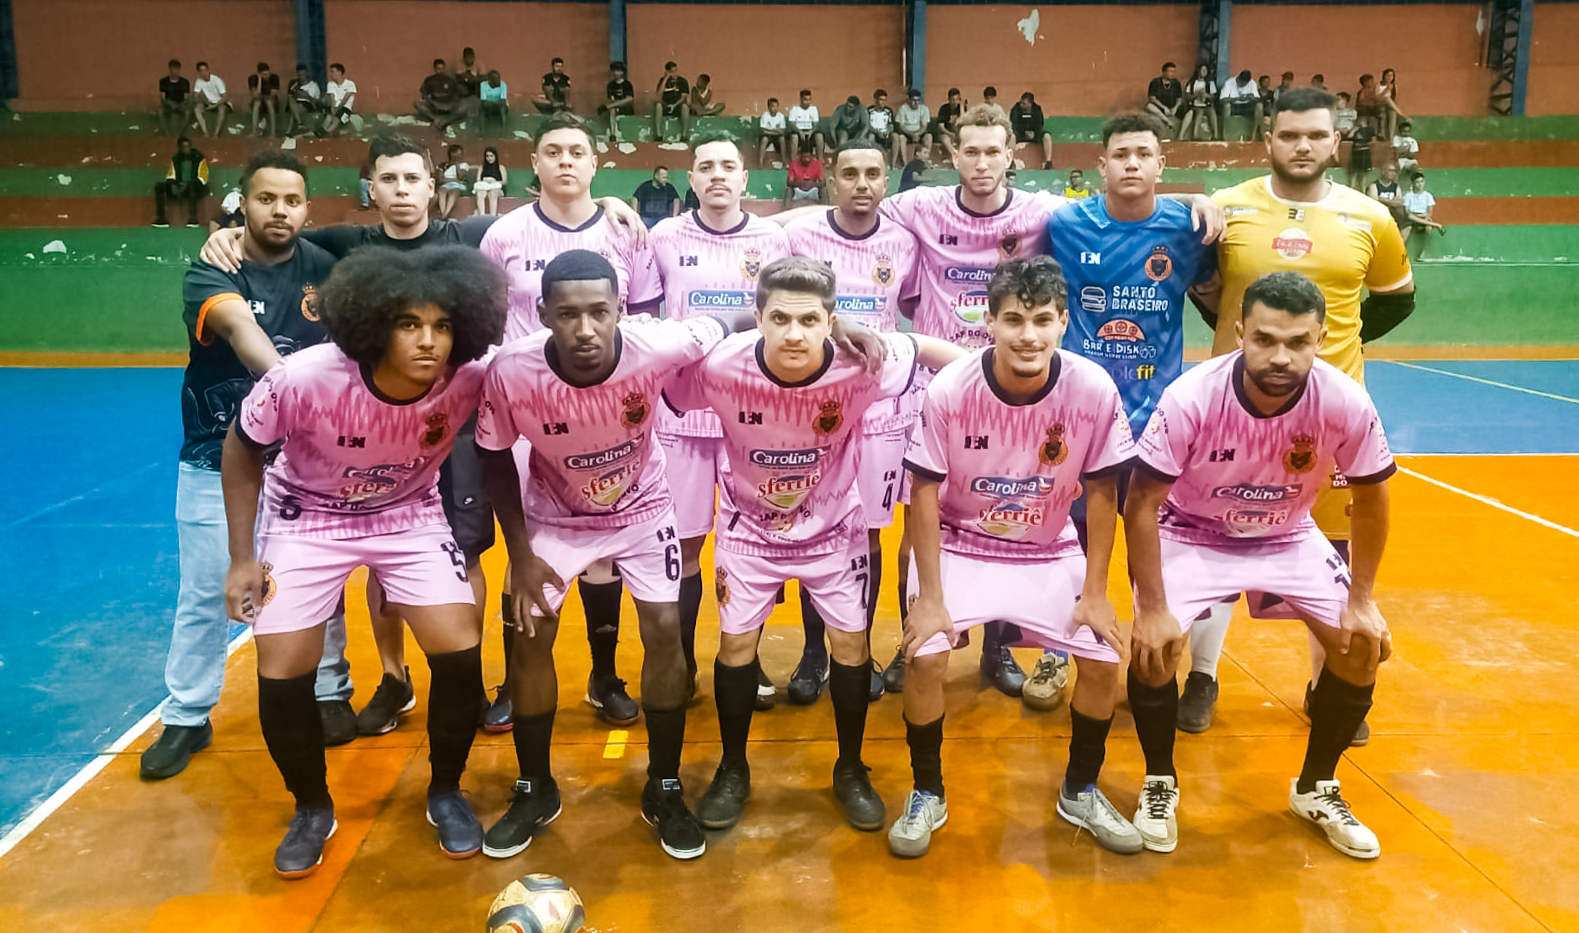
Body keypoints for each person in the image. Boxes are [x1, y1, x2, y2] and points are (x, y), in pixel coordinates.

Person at [223, 245, 505, 876]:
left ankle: (446, 790)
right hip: (307, 516)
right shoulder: (303, 379)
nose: (429, 341)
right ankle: (311, 806)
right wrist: (243, 557)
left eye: (442, 325)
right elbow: (241, 453)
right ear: (374, 323)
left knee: (459, 651)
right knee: (284, 667)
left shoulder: (469, 375)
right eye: (409, 324)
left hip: (406, 515)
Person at [474, 250, 760, 862]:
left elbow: (733, 318)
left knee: (664, 630)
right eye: (568, 314)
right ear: (542, 312)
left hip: (642, 510)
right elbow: (495, 457)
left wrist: (836, 326)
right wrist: (519, 555)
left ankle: (663, 785)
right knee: (528, 634)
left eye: (599, 312)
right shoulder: (510, 371)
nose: (584, 329)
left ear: (620, 311)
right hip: (554, 517)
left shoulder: (657, 344)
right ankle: (535, 787)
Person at [666, 256, 962, 836]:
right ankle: (732, 768)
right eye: (779, 318)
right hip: (749, 533)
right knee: (734, 648)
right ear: (758, 318)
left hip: (834, 532)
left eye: (809, 319)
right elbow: (661, 374)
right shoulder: (721, 366)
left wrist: (997, 385)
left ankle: (850, 768)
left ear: (831, 320)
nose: (794, 334)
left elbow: (929, 349)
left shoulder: (862, 363)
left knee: (852, 649)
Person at [1124, 270, 1397, 859]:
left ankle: (1317, 786)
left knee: (1360, 646)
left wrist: (1364, 599)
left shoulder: (1344, 400)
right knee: (1154, 649)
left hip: (1287, 534)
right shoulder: (1192, 397)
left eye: (1298, 342)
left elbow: (1371, 499)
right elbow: (1140, 504)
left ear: (1321, 338)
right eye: (1265, 339)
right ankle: (1159, 781)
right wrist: (1150, 609)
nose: (1280, 356)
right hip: (1191, 531)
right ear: (1241, 331)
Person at [891, 256, 1139, 857]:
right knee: (925, 660)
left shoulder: (1091, 387)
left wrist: (1098, 590)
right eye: (1014, 320)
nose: (1028, 335)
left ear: (1063, 323)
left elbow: (1105, 492)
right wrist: (928, 598)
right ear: (990, 323)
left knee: (1104, 657)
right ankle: (927, 792)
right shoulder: (951, 389)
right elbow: (922, 490)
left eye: (1042, 320)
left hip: (1048, 548)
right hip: (959, 542)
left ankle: (1079, 789)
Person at [1184, 88, 1413, 738]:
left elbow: (1396, 300)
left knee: (1333, 553)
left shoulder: (1370, 218)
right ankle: (1201, 675)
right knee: (1214, 539)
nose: (1302, 145)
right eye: (1289, 135)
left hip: (1330, 422)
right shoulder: (1226, 209)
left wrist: (1333, 351)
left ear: (1334, 140)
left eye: (1315, 134)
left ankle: (1324, 682)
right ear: (1268, 139)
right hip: (1232, 415)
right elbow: (1204, 288)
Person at [140, 151, 338, 783]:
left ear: (307, 208)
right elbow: (241, 334)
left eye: (292, 200)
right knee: (205, 589)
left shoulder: (327, 270)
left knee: (321, 586)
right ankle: (188, 713)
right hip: (214, 458)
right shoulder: (212, 269)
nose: (279, 211)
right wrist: (294, 389)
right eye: (265, 199)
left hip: (309, 462)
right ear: (242, 204)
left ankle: (331, 690)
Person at [481, 114, 665, 726]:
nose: (565, 161)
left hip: (606, 412)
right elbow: (487, 322)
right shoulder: (503, 234)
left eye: (577, 152)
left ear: (594, 164)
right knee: (528, 548)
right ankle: (516, 677)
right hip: (527, 410)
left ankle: (605, 673)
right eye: (552, 151)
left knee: (605, 552)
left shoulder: (625, 228)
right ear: (533, 163)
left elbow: (641, 318)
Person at [1034, 112, 1216, 712]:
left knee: (1150, 540)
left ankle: (1151, 653)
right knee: (1071, 538)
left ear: (1161, 164)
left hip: (1156, 416)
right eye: (1121, 154)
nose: (1132, 164)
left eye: (1144, 153)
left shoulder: (1189, 228)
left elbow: (1232, 247)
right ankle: (1058, 650)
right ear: (1102, 165)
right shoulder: (1066, 222)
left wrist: (1208, 203)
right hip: (1079, 412)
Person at [649, 134, 792, 705]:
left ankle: (746, 662)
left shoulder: (772, 237)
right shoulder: (662, 236)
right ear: (690, 176)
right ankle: (681, 665)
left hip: (750, 419)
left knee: (753, 546)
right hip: (681, 418)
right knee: (684, 548)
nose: (716, 176)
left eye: (727, 166)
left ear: (744, 178)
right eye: (705, 166)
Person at [784, 140, 923, 703]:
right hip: (813, 410)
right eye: (849, 173)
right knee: (815, 527)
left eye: (872, 173)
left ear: (886, 181)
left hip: (882, 411)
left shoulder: (904, 242)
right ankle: (814, 650)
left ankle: (857, 648)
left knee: (866, 532)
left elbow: (911, 306)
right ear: (831, 182)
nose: (861, 183)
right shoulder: (801, 236)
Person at [153, 137, 209, 228]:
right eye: (184, 147)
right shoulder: (176, 159)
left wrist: (187, 184)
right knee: (159, 186)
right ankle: (161, 219)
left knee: (192, 187)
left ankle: (193, 218)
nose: (186, 149)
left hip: (195, 187)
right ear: (180, 148)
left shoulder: (199, 158)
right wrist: (172, 185)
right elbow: (171, 175)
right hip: (179, 186)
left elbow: (203, 177)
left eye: (188, 146)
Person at [416, 59, 466, 135]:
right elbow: (424, 95)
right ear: (434, 69)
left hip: (448, 106)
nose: (440, 71)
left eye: (442, 69)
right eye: (438, 69)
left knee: (463, 108)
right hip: (434, 106)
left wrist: (452, 103)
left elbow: (456, 95)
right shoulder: (429, 80)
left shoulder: (450, 80)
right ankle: (435, 119)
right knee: (417, 103)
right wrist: (431, 102)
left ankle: (445, 121)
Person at [1402, 172, 1446, 257]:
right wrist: (1417, 217)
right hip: (1410, 219)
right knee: (1408, 225)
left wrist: (1424, 219)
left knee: (1428, 228)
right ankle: (1401, 252)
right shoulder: (1408, 196)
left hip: (1423, 219)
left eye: (1422, 181)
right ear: (1413, 183)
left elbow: (1429, 213)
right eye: (1417, 182)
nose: (1420, 184)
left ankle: (1422, 252)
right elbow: (1407, 213)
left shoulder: (1428, 196)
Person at [1010, 92, 1053, 170]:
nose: (1021, 105)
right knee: (1012, 136)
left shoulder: (1037, 109)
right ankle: (1011, 162)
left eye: (1024, 103)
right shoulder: (1016, 109)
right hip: (1020, 134)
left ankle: (1048, 162)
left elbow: (1040, 124)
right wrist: (1024, 132)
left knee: (1047, 136)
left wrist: (1034, 132)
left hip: (1034, 134)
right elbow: (1014, 123)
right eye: (1021, 102)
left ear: (1030, 104)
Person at [653, 62, 691, 142]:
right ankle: (659, 135)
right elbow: (658, 95)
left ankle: (684, 136)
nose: (675, 73)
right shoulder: (662, 81)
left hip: (677, 105)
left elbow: (684, 97)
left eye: (675, 70)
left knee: (685, 107)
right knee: (658, 106)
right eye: (672, 72)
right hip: (666, 105)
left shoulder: (683, 81)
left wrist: (674, 105)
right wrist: (665, 78)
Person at [1146, 62, 1185, 140]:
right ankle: (1167, 121)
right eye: (1170, 71)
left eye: (1173, 72)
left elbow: (1179, 99)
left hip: (1173, 108)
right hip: (1161, 109)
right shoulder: (1155, 82)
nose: (1172, 74)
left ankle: (1181, 134)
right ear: (1164, 72)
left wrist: (1175, 108)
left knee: (1190, 111)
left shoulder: (1176, 83)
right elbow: (1152, 98)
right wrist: (1163, 108)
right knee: (1149, 106)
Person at [1219, 69, 1261, 142]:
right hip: (1234, 106)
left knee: (1259, 106)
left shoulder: (1252, 83)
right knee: (1226, 106)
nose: (1241, 84)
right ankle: (1225, 133)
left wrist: (1251, 98)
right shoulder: (1229, 82)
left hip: (1247, 105)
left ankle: (1254, 134)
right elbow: (1222, 100)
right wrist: (1236, 99)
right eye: (1240, 82)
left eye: (1244, 83)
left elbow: (1258, 99)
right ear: (1238, 78)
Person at [192, 62, 230, 138]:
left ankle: (216, 134)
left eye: (205, 70)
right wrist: (203, 101)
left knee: (222, 109)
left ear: (208, 70)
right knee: (196, 109)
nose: (204, 73)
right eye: (201, 71)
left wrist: (214, 106)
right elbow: (195, 96)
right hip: (208, 103)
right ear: (199, 72)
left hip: (219, 103)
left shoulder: (217, 80)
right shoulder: (198, 81)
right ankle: (205, 132)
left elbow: (225, 97)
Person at [600, 62, 635, 144]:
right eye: (613, 70)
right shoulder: (610, 85)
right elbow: (612, 99)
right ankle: (613, 135)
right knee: (612, 109)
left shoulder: (627, 84)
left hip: (627, 109)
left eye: (617, 70)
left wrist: (609, 106)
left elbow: (629, 99)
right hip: (616, 108)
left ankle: (607, 107)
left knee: (617, 104)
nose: (615, 73)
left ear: (622, 72)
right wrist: (614, 105)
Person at [895, 89, 933, 165]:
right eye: (913, 100)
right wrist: (912, 135)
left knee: (929, 136)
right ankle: (904, 163)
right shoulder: (903, 109)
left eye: (918, 100)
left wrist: (917, 134)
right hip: (907, 133)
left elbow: (924, 127)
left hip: (920, 133)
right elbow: (901, 127)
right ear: (908, 100)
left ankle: (925, 161)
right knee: (901, 138)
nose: (916, 103)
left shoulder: (924, 109)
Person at [1181, 64, 1217, 142]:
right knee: (1199, 112)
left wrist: (1206, 95)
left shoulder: (1210, 83)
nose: (1203, 72)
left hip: (1206, 105)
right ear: (1198, 70)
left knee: (1212, 112)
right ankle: (1195, 134)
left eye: (1205, 70)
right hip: (1195, 105)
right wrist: (1197, 94)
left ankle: (1215, 135)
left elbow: (1213, 97)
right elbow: (1188, 97)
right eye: (1202, 70)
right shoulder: (1192, 83)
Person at [159, 59, 194, 137]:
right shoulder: (163, 81)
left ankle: (179, 134)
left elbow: (186, 98)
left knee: (188, 112)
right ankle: (167, 134)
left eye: (176, 69)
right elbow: (163, 97)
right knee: (160, 111)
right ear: (169, 69)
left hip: (181, 105)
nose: (174, 71)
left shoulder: (185, 82)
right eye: (172, 68)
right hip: (168, 105)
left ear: (179, 70)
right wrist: (169, 104)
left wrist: (178, 105)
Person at [286, 65, 323, 137]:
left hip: (308, 103)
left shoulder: (313, 85)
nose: (301, 77)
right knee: (291, 100)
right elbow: (289, 95)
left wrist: (307, 96)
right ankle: (300, 124)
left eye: (303, 74)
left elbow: (317, 102)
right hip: (295, 102)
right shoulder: (295, 84)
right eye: (299, 75)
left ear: (307, 74)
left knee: (294, 108)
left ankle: (290, 130)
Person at [322, 63, 357, 137]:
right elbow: (332, 98)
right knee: (328, 119)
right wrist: (332, 109)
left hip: (344, 108)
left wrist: (336, 110)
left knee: (336, 119)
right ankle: (324, 132)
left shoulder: (350, 84)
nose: (330, 74)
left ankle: (327, 133)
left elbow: (345, 99)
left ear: (339, 72)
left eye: (332, 72)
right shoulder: (330, 84)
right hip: (334, 107)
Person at [247, 62, 282, 137]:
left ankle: (273, 132)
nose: (266, 76)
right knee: (257, 103)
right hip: (258, 101)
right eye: (264, 75)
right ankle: (254, 131)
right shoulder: (252, 78)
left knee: (268, 102)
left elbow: (272, 95)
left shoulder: (274, 77)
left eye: (268, 74)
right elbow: (256, 95)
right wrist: (259, 80)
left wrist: (263, 97)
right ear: (259, 73)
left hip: (271, 101)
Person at [787, 89, 823, 161]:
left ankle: (820, 160)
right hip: (798, 131)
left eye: (809, 99)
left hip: (810, 131)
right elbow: (792, 124)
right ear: (801, 99)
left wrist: (811, 131)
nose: (808, 102)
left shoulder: (813, 109)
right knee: (794, 137)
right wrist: (800, 132)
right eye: (806, 100)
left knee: (819, 136)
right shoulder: (795, 109)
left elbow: (816, 124)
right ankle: (793, 161)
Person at [437, 144, 470, 219]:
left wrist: (457, 163)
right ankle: (443, 214)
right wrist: (454, 180)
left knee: (454, 190)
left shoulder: (464, 165)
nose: (459, 155)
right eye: (457, 152)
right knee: (442, 191)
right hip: (445, 184)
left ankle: (444, 215)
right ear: (451, 153)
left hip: (457, 185)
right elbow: (440, 179)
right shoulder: (443, 165)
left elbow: (460, 177)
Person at [931, 88, 965, 160]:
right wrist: (950, 134)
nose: (955, 102)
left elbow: (963, 122)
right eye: (953, 99)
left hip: (956, 133)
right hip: (945, 133)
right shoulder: (943, 109)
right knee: (945, 139)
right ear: (949, 99)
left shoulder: (960, 108)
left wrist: (961, 109)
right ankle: (955, 155)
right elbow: (941, 127)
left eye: (957, 99)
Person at [474, 146, 508, 216]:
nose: (489, 158)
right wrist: (484, 181)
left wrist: (494, 181)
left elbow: (504, 181)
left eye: (491, 156)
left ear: (495, 156)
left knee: (493, 192)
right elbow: (478, 180)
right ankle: (482, 216)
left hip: (497, 189)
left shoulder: (501, 167)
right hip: (484, 188)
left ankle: (492, 216)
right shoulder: (482, 167)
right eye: (487, 156)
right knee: (480, 192)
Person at [867, 90, 898, 166]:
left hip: (885, 134)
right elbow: (867, 125)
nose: (883, 102)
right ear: (875, 99)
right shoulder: (869, 110)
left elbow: (891, 125)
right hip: (874, 133)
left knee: (896, 136)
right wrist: (877, 132)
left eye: (884, 100)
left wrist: (888, 131)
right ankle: (872, 162)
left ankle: (893, 164)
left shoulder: (888, 111)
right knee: (871, 137)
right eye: (881, 100)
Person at [478, 71, 510, 137]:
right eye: (495, 79)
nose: (498, 81)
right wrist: (496, 103)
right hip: (491, 105)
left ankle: (503, 131)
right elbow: (483, 103)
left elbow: (503, 102)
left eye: (498, 78)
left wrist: (491, 103)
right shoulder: (483, 85)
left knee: (502, 109)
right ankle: (482, 133)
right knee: (481, 110)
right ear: (489, 80)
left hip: (497, 105)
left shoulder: (503, 85)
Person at [758, 98, 787, 166]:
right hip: (768, 136)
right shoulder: (765, 115)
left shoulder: (781, 116)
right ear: (769, 107)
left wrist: (769, 131)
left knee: (782, 139)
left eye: (775, 106)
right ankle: (760, 163)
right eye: (772, 106)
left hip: (777, 137)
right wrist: (776, 130)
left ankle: (784, 162)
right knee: (764, 139)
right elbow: (763, 130)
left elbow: (782, 131)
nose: (774, 108)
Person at [1378, 68, 1405, 141]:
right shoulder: (1379, 85)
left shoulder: (1394, 86)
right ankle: (1383, 136)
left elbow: (1394, 98)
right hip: (1381, 105)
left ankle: (1391, 137)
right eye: (1388, 75)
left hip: (1391, 106)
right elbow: (1377, 97)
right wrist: (1387, 89)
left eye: (1391, 75)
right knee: (1386, 101)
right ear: (1384, 76)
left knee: (1392, 114)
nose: (1389, 77)